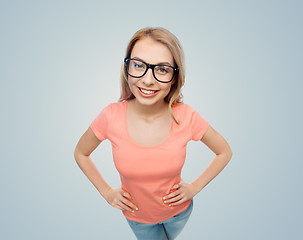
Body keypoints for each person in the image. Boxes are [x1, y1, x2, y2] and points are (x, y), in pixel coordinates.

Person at [74, 27, 232, 240]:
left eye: (163, 69)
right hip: (137, 218)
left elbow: (224, 152)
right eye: (138, 65)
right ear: (126, 67)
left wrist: (194, 187)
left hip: (180, 214)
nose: (148, 80)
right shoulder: (110, 116)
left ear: (175, 77)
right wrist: (106, 191)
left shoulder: (187, 116)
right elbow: (81, 153)